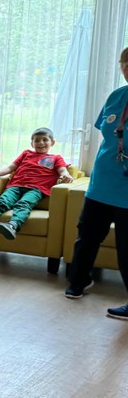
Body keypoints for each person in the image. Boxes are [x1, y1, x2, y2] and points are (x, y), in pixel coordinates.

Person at [64, 47, 128, 319]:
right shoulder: (116, 96)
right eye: (125, 63)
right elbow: (105, 129)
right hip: (101, 184)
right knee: (87, 236)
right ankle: (79, 281)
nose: (127, 67)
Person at [0, 127, 73, 241]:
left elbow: (62, 170)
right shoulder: (26, 154)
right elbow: (10, 167)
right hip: (16, 186)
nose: (41, 143)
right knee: (2, 201)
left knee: (23, 204)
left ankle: (12, 226)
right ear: (32, 143)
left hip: (36, 189)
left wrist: (67, 175)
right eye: (36, 140)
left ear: (52, 142)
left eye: (45, 140)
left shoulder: (56, 158)